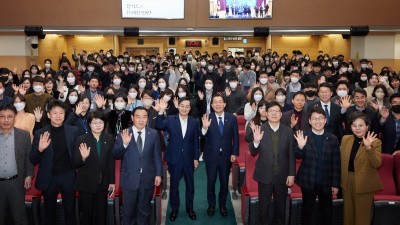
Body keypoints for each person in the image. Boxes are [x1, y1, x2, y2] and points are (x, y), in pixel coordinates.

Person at [30, 99, 79, 225]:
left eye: (61, 113)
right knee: (49, 215)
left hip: (68, 176)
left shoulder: (72, 131)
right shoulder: (40, 133)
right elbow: (33, 159)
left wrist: (82, 157)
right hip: (49, 178)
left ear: (65, 115)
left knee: (70, 213)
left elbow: (77, 155)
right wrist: (40, 149)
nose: (58, 116)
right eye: (55, 113)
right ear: (48, 115)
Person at [113, 107, 162, 225]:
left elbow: (157, 156)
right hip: (130, 179)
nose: (141, 120)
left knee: (144, 211)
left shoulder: (153, 134)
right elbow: (116, 154)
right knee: (128, 212)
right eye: (138, 116)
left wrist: (158, 174)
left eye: (144, 117)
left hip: (147, 178)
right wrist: (124, 144)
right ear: (132, 118)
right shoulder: (123, 133)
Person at [250, 101, 296, 225]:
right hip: (265, 175)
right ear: (266, 113)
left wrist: (292, 174)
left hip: (282, 176)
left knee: (280, 209)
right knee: (263, 209)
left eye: (277, 111)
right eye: (271, 111)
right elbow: (253, 152)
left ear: (281, 114)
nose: (274, 114)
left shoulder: (288, 131)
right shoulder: (260, 129)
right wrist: (256, 142)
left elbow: (291, 154)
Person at [293, 106, 341, 225]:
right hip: (308, 181)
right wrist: (300, 147)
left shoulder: (333, 139)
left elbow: (336, 163)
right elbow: (297, 156)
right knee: (307, 211)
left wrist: (336, 183)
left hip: (326, 181)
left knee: (326, 212)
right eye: (314, 119)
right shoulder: (303, 135)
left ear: (325, 120)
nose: (318, 121)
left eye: (320, 118)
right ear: (309, 121)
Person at [155, 97, 200, 221]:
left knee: (190, 185)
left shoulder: (194, 122)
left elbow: (196, 141)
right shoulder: (170, 119)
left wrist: (196, 158)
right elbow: (158, 125)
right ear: (178, 106)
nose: (184, 108)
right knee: (174, 185)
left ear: (190, 108)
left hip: (189, 159)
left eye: (187, 106)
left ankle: (190, 208)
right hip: (174, 158)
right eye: (182, 106)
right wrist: (160, 111)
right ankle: (174, 209)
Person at [340, 112, 382, 225]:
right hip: (347, 181)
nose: (357, 128)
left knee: (362, 217)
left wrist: (369, 147)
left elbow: (377, 163)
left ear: (367, 126)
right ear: (350, 127)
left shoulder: (375, 142)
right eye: (354, 125)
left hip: (364, 183)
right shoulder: (345, 139)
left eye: (361, 125)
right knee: (347, 216)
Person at [200, 94, 239, 217]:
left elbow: (236, 138)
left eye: (220, 102)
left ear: (224, 104)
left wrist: (234, 153)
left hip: (226, 156)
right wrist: (204, 129)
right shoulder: (207, 117)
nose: (217, 104)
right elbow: (201, 137)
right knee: (211, 182)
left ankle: (222, 205)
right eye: (215, 102)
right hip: (211, 156)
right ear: (211, 105)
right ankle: (211, 205)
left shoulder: (231, 118)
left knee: (224, 182)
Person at [74, 111, 115, 225]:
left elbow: (111, 162)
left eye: (101, 122)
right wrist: (83, 158)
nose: (98, 125)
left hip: (103, 184)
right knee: (87, 216)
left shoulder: (109, 138)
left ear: (105, 124)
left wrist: (112, 182)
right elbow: (76, 163)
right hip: (86, 183)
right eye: (95, 122)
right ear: (89, 124)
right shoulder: (81, 139)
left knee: (101, 215)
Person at [0, 103, 33, 225]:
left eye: (10, 116)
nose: (6, 120)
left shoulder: (23, 135)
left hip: (16, 183)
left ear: (15, 118)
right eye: (2, 116)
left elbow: (28, 157)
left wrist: (29, 175)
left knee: (20, 218)